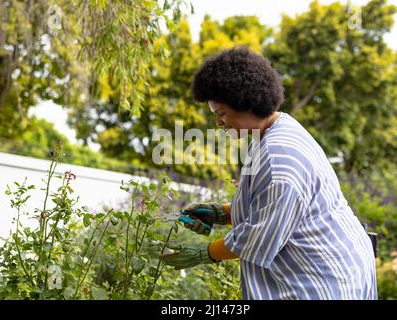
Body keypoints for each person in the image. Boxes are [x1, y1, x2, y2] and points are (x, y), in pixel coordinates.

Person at [159, 47, 377, 300]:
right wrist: (221, 213)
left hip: (322, 281)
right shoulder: (275, 129)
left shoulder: (279, 158)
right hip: (337, 263)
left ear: (246, 102)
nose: (219, 123)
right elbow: (269, 205)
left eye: (221, 113)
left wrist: (204, 252)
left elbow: (259, 236)